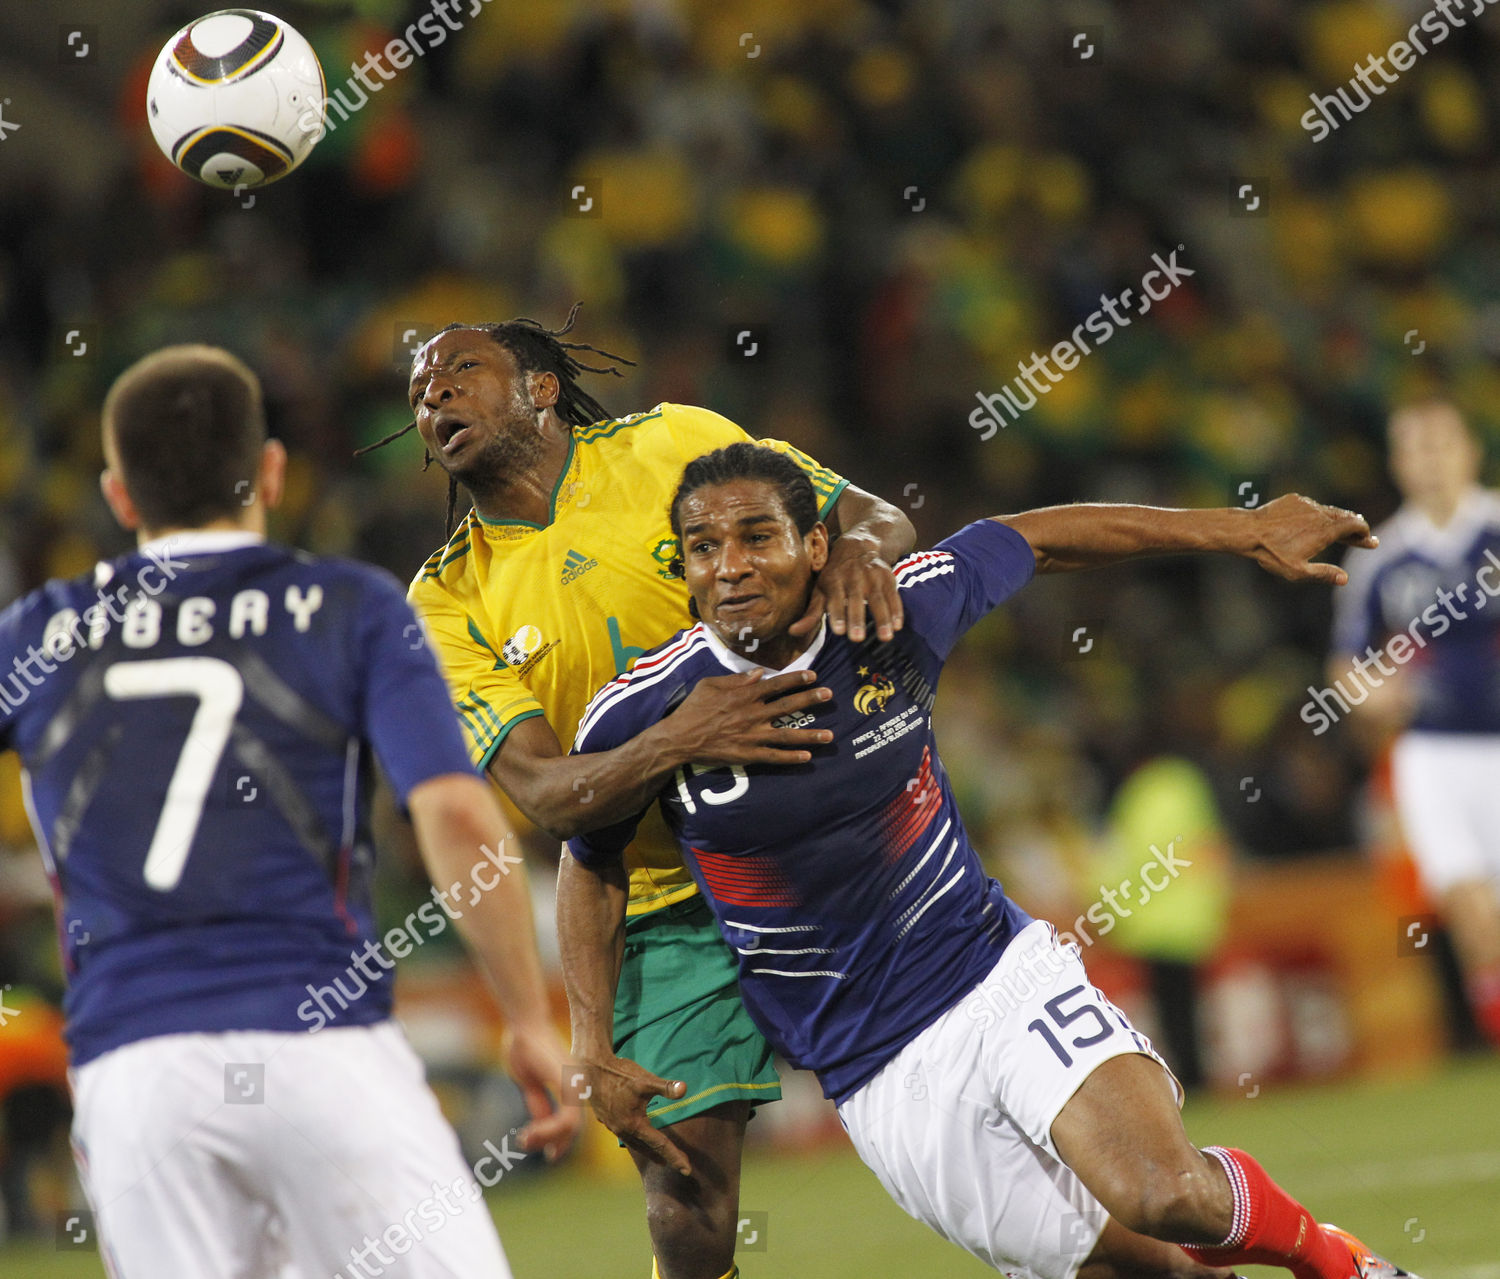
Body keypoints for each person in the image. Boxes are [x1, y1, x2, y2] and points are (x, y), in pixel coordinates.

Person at [565, 442, 1416, 1279]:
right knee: (1157, 1267)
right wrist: (589, 1041)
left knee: (1165, 1193)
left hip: (996, 974)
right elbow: (589, 858)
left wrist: (1242, 530)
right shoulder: (643, 710)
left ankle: (1342, 1264)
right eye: (704, 548)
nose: (731, 567)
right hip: (877, 1069)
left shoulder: (890, 615)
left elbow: (1035, 537)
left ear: (814, 545)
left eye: (758, 536)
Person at [0, 346, 575, 1277]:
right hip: (319, 1043)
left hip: (133, 1072)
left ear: (118, 495)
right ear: (269, 469)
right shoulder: (347, 606)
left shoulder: (36, 632)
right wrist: (528, 1015)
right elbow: (459, 817)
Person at [392, 308, 913, 1279]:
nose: (432, 395)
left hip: (828, 851)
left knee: (986, 1122)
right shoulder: (445, 598)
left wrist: (854, 551)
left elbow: (878, 517)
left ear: (542, 389)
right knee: (683, 1199)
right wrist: (682, 737)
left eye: (459, 371)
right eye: (420, 391)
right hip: (666, 908)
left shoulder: (676, 441)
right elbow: (551, 795)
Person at [1331, 396, 1500, 1048]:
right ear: (1399, 463)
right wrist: (1371, 693)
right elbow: (1347, 664)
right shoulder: (1382, 556)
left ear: (1470, 451)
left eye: (1442, 444)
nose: (1431, 461)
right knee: (1470, 910)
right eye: (1416, 448)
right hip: (1433, 751)